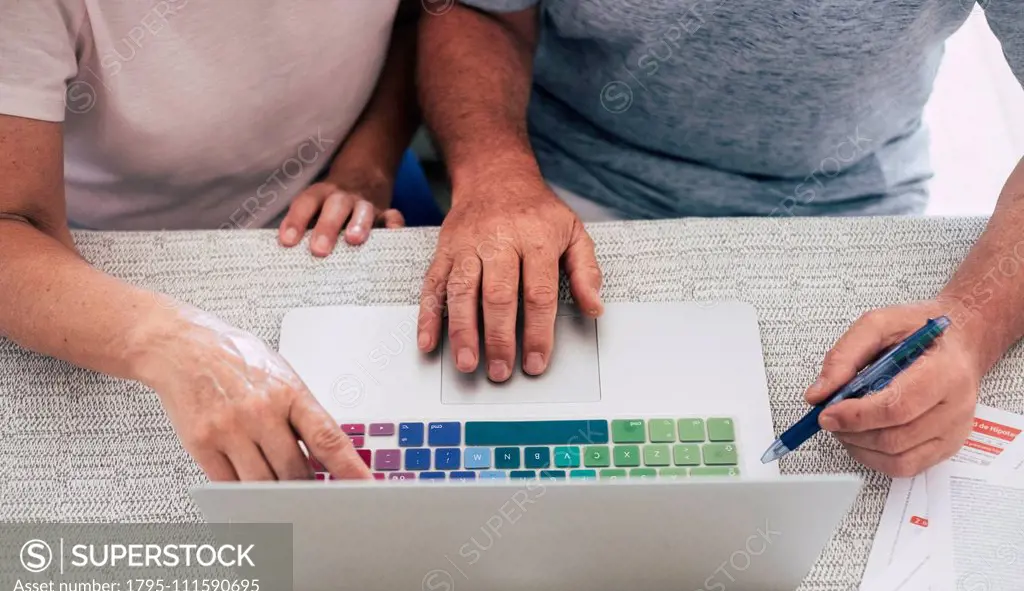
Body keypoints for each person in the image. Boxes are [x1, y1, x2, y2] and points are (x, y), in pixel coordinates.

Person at [416, 1, 1024, 477]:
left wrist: (973, 322)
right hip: (555, 174)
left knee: (869, 465)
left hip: (847, 197)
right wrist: (496, 175)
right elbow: (474, 9)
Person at [0, 0, 423, 480]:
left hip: (345, 172)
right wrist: (176, 343)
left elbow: (425, 15)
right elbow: (11, 219)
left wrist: (369, 164)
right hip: (91, 242)